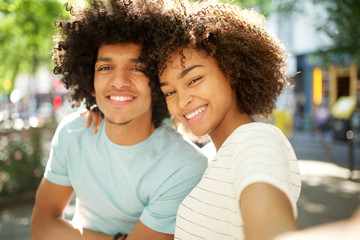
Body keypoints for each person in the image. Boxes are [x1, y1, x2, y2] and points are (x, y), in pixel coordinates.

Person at [30, 0, 207, 240]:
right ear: (90, 81)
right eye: (105, 68)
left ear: (157, 82)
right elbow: (41, 225)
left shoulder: (184, 166)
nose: (119, 81)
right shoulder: (72, 133)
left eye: (137, 68)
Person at [147, 1, 302, 239]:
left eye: (194, 79)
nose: (182, 101)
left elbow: (271, 226)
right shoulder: (212, 153)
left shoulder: (256, 141)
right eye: (169, 92)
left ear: (231, 70)